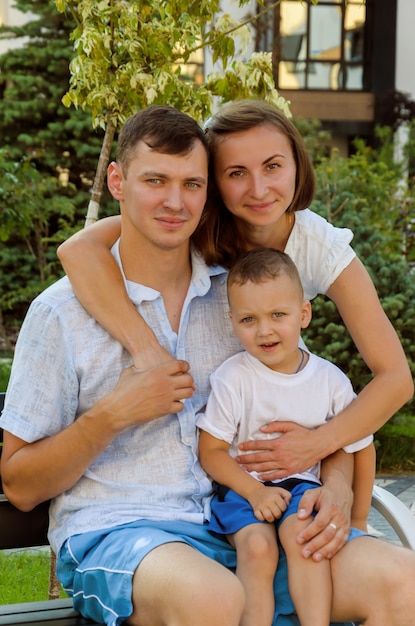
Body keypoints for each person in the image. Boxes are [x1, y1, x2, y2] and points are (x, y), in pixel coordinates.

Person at [2, 104, 415, 626]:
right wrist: (111, 414)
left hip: (245, 527)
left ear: (207, 195)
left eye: (192, 184)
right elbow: (17, 486)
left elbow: (319, 405)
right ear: (117, 180)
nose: (175, 202)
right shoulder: (61, 313)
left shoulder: (243, 304)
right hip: (124, 532)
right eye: (155, 180)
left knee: (404, 582)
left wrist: (334, 488)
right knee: (214, 598)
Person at [198, 247, 374, 626]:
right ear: (232, 322)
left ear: (304, 314)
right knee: (258, 548)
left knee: (305, 539)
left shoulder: (330, 380)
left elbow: (358, 445)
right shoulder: (234, 378)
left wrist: (357, 518)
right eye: (249, 319)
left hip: (302, 490)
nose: (265, 330)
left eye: (278, 314)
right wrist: (254, 491)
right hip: (244, 489)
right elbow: (210, 451)